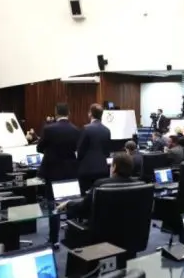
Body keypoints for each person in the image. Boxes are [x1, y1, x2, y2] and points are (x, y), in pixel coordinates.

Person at [37, 103, 81, 246]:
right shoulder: (76, 130)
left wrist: (51, 152)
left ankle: (54, 239)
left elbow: (39, 148)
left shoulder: (49, 129)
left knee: (53, 205)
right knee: (71, 202)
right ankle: (72, 234)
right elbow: (77, 149)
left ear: (56, 113)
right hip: (70, 171)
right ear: (69, 113)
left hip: (52, 171)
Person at [60, 153, 137, 219]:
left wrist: (68, 204)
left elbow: (83, 208)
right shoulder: (138, 185)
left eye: (111, 166)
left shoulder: (101, 184)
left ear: (114, 167)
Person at [77, 104, 112, 194]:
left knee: (85, 196)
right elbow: (107, 152)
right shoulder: (107, 130)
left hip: (87, 169)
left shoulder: (86, 129)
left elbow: (80, 151)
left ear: (90, 114)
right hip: (103, 168)